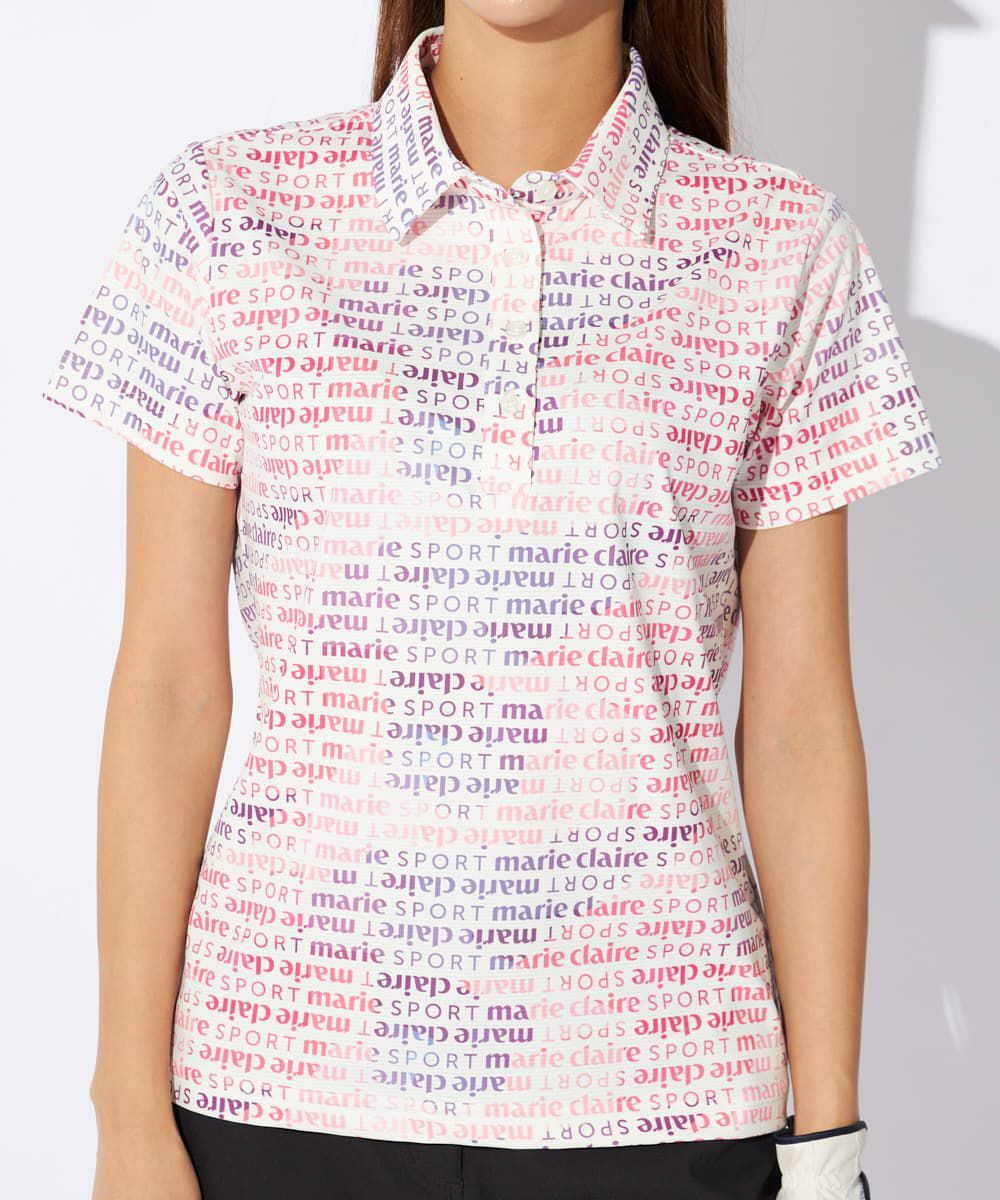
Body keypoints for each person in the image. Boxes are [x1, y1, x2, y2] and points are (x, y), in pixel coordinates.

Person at [39, 1, 942, 1198]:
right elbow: (168, 687)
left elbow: (797, 725)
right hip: (278, 1089)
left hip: (663, 1100)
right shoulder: (227, 211)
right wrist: (126, 1110)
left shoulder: (781, 246)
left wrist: (827, 1149)